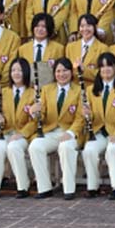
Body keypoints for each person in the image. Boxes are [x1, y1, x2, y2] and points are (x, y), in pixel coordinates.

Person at [73, 53, 115, 200]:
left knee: (113, 149)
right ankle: (92, 187)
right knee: (89, 150)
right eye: (102, 66)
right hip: (99, 132)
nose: (105, 69)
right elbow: (88, 117)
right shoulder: (90, 90)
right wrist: (87, 114)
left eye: (109, 66)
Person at [24, 57, 81, 199]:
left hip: (71, 132)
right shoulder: (47, 90)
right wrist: (35, 113)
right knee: (35, 146)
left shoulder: (79, 90)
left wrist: (70, 132)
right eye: (58, 71)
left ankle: (69, 189)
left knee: (66, 147)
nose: (62, 74)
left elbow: (81, 117)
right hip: (51, 131)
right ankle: (44, 187)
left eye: (65, 71)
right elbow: (42, 115)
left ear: (71, 72)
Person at [0, 58, 36, 198]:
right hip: (6, 131)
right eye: (13, 70)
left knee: (13, 147)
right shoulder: (3, 92)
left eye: (19, 70)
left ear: (26, 72)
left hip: (24, 133)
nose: (16, 73)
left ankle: (23, 186)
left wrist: (22, 133)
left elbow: (36, 120)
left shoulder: (34, 92)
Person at [65, 14, 109, 85]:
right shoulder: (70, 47)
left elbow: (104, 74)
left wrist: (84, 70)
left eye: (88, 26)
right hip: (73, 88)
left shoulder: (103, 48)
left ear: (95, 27)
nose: (85, 29)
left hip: (92, 88)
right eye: (82, 26)